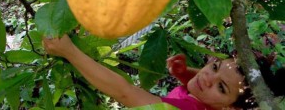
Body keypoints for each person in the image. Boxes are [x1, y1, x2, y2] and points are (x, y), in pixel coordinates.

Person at [43, 34, 283, 109]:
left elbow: (124, 93)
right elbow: (212, 85)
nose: (207, 77)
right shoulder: (213, 102)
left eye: (221, 88)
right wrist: (185, 74)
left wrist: (69, 51)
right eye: (214, 66)